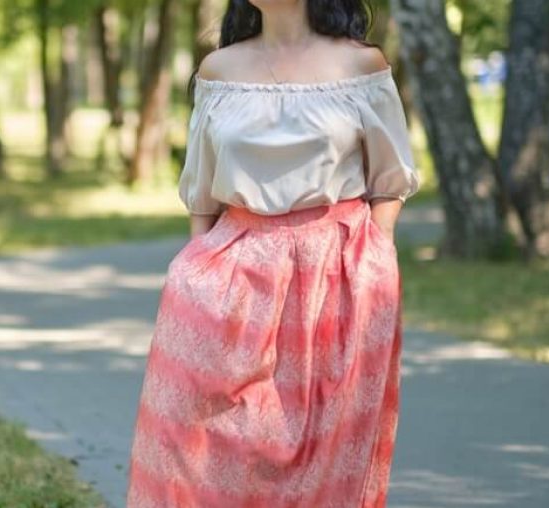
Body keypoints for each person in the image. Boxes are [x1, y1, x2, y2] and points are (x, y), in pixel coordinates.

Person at [124, 0, 421, 506]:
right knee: (214, 441)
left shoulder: (360, 64)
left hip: (339, 271)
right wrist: (200, 274)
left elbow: (389, 179)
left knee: (325, 440)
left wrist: (377, 254)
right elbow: (202, 191)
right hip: (236, 271)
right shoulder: (220, 69)